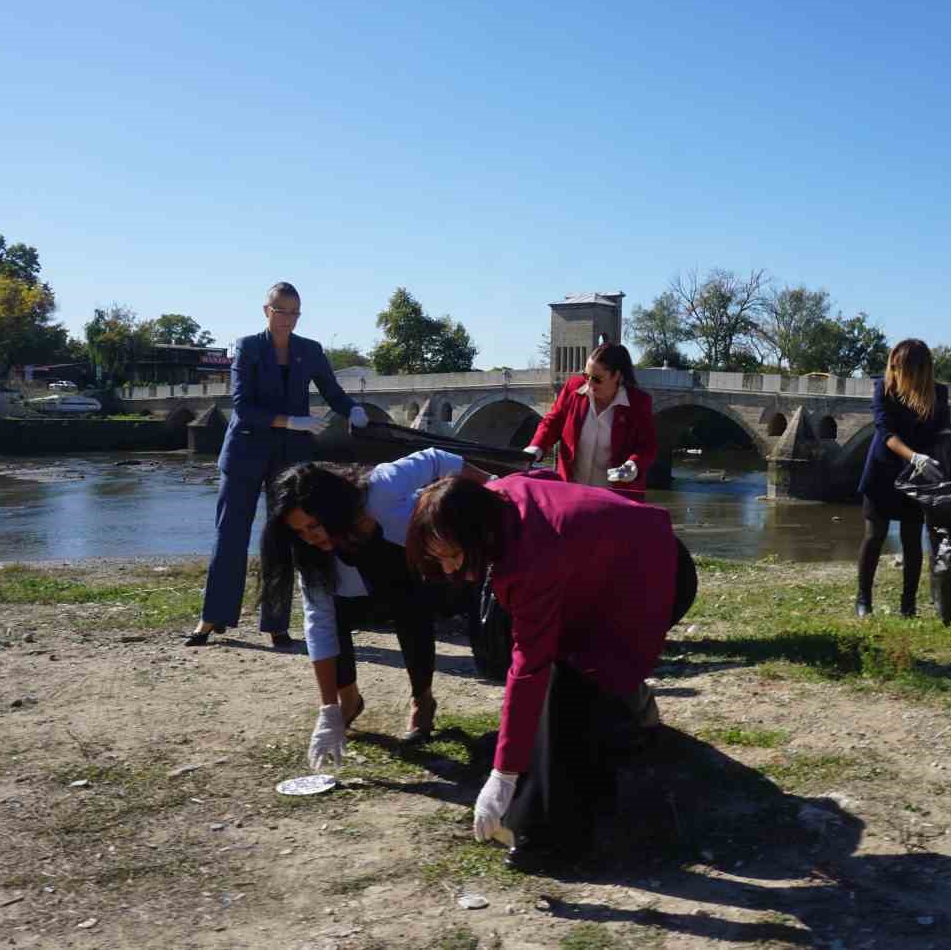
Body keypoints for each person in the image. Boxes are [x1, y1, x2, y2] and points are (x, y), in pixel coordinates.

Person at [405, 472, 696, 870]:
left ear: (476, 531)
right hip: (608, 569)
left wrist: (503, 773)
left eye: (453, 555)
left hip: (657, 572)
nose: (450, 568)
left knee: (571, 685)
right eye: (440, 558)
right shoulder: (495, 497)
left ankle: (559, 836)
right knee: (568, 682)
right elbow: (545, 477)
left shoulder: (532, 558)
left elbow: (528, 668)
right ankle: (556, 805)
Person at [257, 450, 489, 762]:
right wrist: (328, 709)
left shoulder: (381, 489)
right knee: (333, 618)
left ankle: (422, 700)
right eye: (299, 532)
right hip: (360, 600)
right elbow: (319, 623)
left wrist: (494, 485)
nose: (309, 538)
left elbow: (436, 460)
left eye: (314, 526)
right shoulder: (309, 554)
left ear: (333, 509)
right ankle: (348, 701)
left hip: (423, 575)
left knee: (410, 607)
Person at [186, 282, 369, 647]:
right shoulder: (248, 347)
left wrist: (354, 409)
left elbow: (333, 393)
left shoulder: (310, 350)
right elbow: (243, 408)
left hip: (289, 459)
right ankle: (212, 617)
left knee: (283, 538)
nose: (289, 319)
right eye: (282, 311)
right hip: (244, 452)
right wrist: (292, 421)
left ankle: (276, 623)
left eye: (295, 312)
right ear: (267, 311)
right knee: (230, 535)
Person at [855, 339, 950, 618]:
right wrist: (914, 457)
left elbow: (943, 434)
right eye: (892, 366)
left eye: (901, 367)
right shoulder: (883, 388)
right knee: (874, 535)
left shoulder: (938, 394)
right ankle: (863, 601)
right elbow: (885, 433)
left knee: (911, 540)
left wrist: (943, 463)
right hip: (883, 471)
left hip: (918, 478)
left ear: (919, 370)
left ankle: (908, 605)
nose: (895, 371)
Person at [523, 343, 657, 501]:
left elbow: (647, 447)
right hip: (570, 495)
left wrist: (632, 466)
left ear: (617, 376)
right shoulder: (573, 388)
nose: (589, 384)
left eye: (597, 379)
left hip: (616, 500)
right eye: (586, 375)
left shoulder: (638, 402)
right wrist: (536, 448)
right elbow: (552, 422)